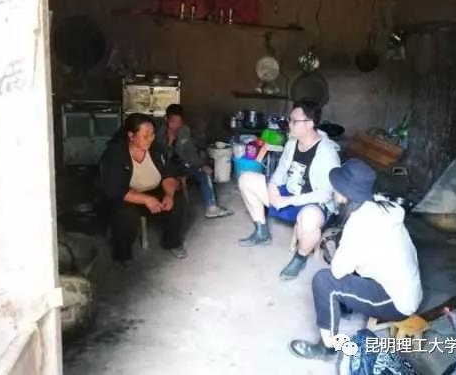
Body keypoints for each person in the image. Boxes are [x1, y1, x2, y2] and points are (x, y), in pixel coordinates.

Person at [289, 158, 423, 360]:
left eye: (336, 188)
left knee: (324, 281)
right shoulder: (380, 206)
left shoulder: (360, 223)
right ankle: (343, 305)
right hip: (407, 289)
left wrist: (340, 250)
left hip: (396, 302)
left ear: (345, 194)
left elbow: (337, 271)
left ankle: (328, 347)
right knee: (351, 263)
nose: (333, 191)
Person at [238, 100, 340, 280]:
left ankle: (300, 258)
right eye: (289, 120)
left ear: (310, 124)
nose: (289, 124)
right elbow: (281, 170)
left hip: (312, 203)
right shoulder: (292, 142)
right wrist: (272, 187)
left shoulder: (327, 152)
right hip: (290, 193)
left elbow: (325, 194)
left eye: (294, 121)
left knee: (310, 219)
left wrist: (287, 201)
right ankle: (261, 232)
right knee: (246, 178)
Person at [99, 113, 188, 265]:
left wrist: (168, 195)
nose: (150, 139)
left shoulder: (157, 149)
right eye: (145, 135)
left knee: (177, 201)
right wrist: (146, 199)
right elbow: (114, 189)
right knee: (124, 214)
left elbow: (169, 175)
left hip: (154, 191)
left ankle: (172, 242)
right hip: (128, 196)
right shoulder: (114, 154)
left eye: (152, 134)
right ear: (131, 136)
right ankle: (122, 255)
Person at [156, 104, 233, 219]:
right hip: (165, 168)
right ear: (166, 119)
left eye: (179, 122)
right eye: (173, 122)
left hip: (182, 164)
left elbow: (189, 153)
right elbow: (161, 156)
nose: (176, 125)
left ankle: (211, 207)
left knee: (203, 172)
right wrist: (170, 142)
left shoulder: (184, 130)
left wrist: (201, 165)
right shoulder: (159, 133)